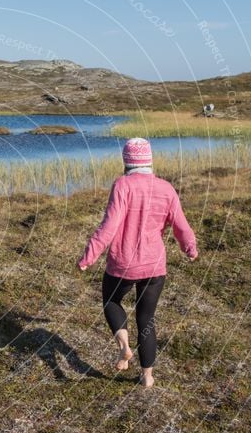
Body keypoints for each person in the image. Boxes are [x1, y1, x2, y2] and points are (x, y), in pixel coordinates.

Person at [77, 137, 198, 387]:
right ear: (149, 161)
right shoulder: (166, 188)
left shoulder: (122, 185)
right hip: (155, 266)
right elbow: (181, 226)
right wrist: (190, 249)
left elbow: (108, 227)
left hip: (123, 264)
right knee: (147, 319)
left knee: (111, 301)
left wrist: (89, 256)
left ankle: (124, 348)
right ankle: (147, 376)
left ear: (127, 162)